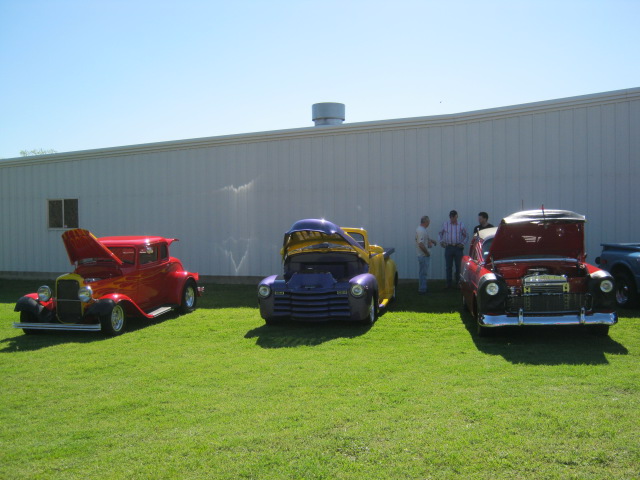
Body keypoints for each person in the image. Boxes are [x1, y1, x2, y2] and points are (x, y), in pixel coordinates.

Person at [438, 210, 468, 289]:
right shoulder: (445, 224)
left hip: (458, 248)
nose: (452, 219)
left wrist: (462, 243)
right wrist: (441, 242)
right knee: (448, 266)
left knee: (459, 266)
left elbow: (466, 236)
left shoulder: (461, 225)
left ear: (456, 216)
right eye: (451, 217)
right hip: (449, 247)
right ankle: (448, 284)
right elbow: (440, 233)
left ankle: (458, 283)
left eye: (453, 217)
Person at [415, 215, 437, 294]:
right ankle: (422, 289)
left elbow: (424, 239)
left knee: (423, 272)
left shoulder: (421, 229)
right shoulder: (421, 230)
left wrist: (432, 241)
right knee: (423, 273)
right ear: (425, 222)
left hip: (423, 255)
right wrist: (427, 253)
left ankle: (423, 287)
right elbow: (421, 244)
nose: (429, 223)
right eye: (428, 221)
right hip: (423, 255)